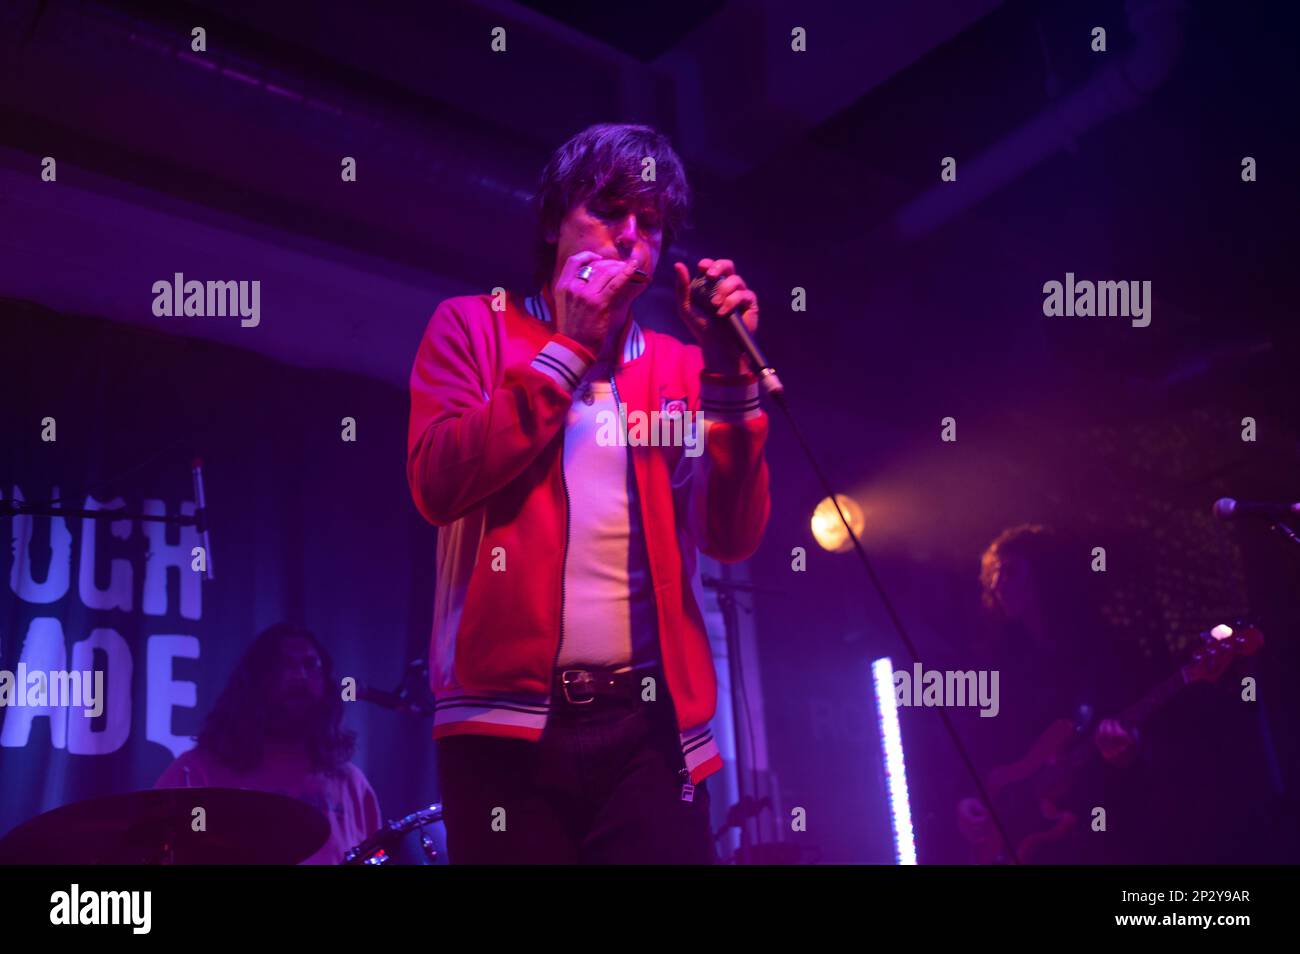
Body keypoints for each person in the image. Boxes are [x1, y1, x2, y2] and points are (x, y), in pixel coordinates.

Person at [406, 123, 771, 863]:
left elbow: (730, 538)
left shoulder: (674, 366)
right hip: (503, 735)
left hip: (654, 732)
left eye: (651, 221)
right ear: (551, 220)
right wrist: (566, 350)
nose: (630, 238)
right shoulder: (471, 328)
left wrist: (730, 375)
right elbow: (436, 484)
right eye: (608, 210)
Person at [954, 525, 1144, 864]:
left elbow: (1136, 735)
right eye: (994, 573)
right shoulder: (999, 657)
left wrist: (1124, 752)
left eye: (1010, 572)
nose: (997, 584)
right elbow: (982, 743)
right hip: (1036, 841)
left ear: (1043, 573)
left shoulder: (1101, 645)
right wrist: (968, 798)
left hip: (1101, 829)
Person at [155, 622, 381, 865]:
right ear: (253, 682)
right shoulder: (196, 771)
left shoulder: (352, 784)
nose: (300, 676)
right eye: (285, 664)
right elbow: (155, 848)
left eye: (311, 665)